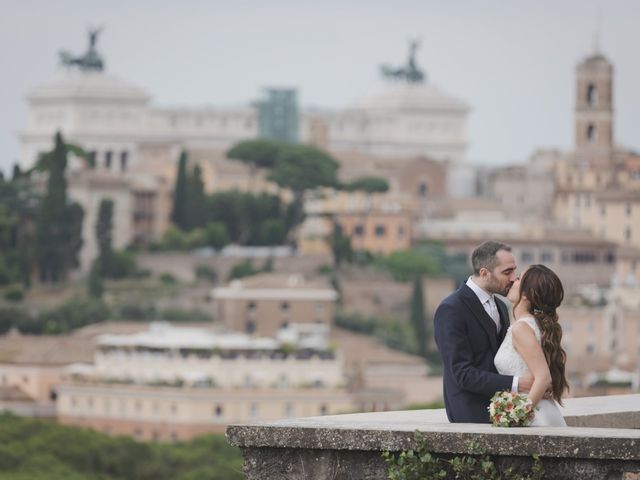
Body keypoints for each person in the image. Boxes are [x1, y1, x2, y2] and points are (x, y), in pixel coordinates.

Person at [434, 240, 535, 423]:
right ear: (484, 273)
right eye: (507, 272)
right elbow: (462, 373)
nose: (513, 278)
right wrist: (517, 384)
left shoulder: (501, 307)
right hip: (469, 416)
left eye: (514, 270)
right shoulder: (451, 309)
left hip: (505, 411)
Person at [494, 264, 568, 426]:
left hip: (536, 419)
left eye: (519, 278)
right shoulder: (534, 325)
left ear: (527, 294)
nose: (513, 280)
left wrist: (517, 417)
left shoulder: (522, 328)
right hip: (541, 412)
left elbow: (543, 377)